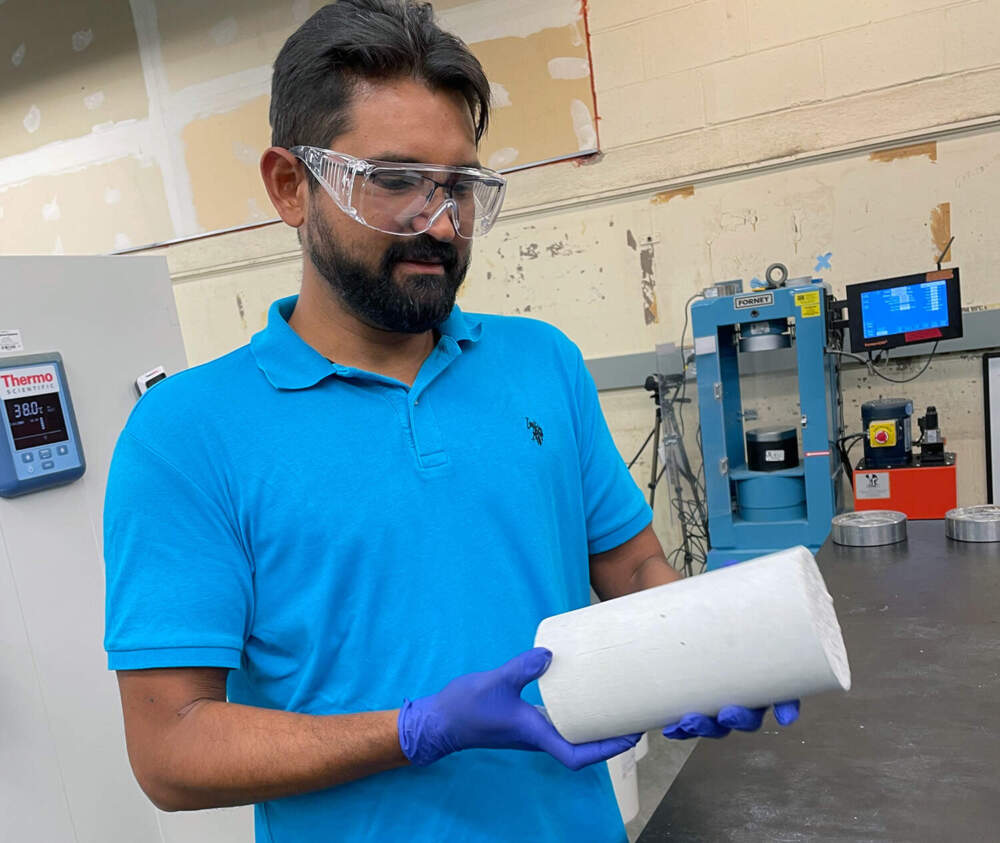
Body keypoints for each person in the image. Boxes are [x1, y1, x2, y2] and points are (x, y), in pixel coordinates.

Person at [103, 2, 799, 840]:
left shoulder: (541, 363)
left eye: (462, 186)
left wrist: (711, 650)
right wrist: (415, 728)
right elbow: (170, 750)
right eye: (394, 179)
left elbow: (636, 564)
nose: (439, 222)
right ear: (292, 185)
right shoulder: (188, 434)